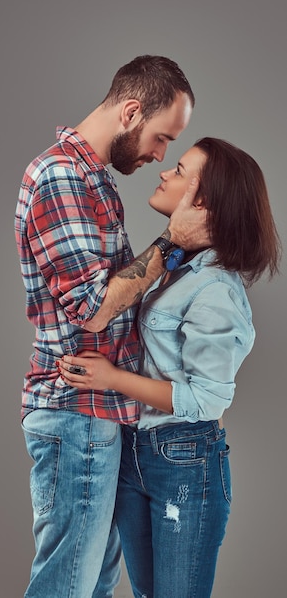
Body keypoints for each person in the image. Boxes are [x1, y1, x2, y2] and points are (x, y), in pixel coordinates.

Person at [14, 55, 210, 598]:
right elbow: (93, 309)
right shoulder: (60, 176)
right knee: (68, 584)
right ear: (130, 111)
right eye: (162, 137)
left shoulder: (93, 180)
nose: (160, 156)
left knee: (92, 582)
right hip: (75, 412)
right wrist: (172, 241)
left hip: (100, 411)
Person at [58, 137, 282, 598]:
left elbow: (207, 399)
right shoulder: (176, 268)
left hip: (185, 459)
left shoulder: (216, 289)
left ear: (204, 201)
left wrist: (112, 379)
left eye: (179, 171)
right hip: (137, 450)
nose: (164, 172)